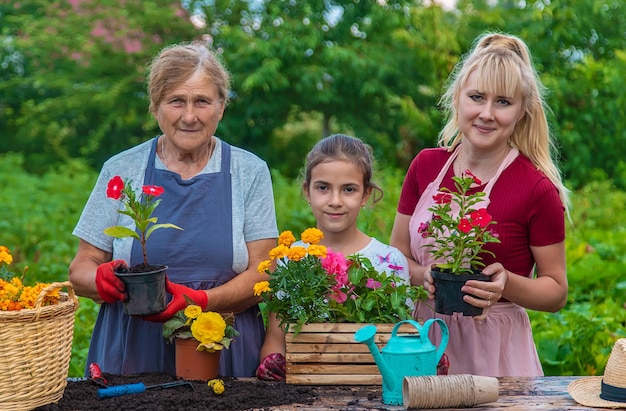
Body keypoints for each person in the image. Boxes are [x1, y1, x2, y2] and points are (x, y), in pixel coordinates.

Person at [68, 42, 278, 378]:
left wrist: (200, 301)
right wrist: (102, 280)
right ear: (155, 107)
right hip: (133, 349)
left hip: (222, 347)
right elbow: (80, 268)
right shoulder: (123, 169)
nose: (190, 116)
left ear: (222, 107)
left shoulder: (248, 171)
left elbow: (263, 273)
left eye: (203, 101)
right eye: (176, 101)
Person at [390, 32, 570, 377]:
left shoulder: (536, 189)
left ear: (522, 111)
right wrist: (422, 275)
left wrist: (507, 283)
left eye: (503, 102)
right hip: (424, 340)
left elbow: (556, 291)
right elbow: (397, 253)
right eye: (476, 97)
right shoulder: (425, 166)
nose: (487, 113)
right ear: (457, 98)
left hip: (496, 352)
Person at [255, 133, 411, 381]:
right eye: (323, 188)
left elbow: (402, 341)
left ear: (366, 195)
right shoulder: (290, 259)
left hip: (371, 388)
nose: (335, 201)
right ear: (307, 191)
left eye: (349, 189)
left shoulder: (389, 260)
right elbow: (275, 341)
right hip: (302, 389)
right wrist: (273, 367)